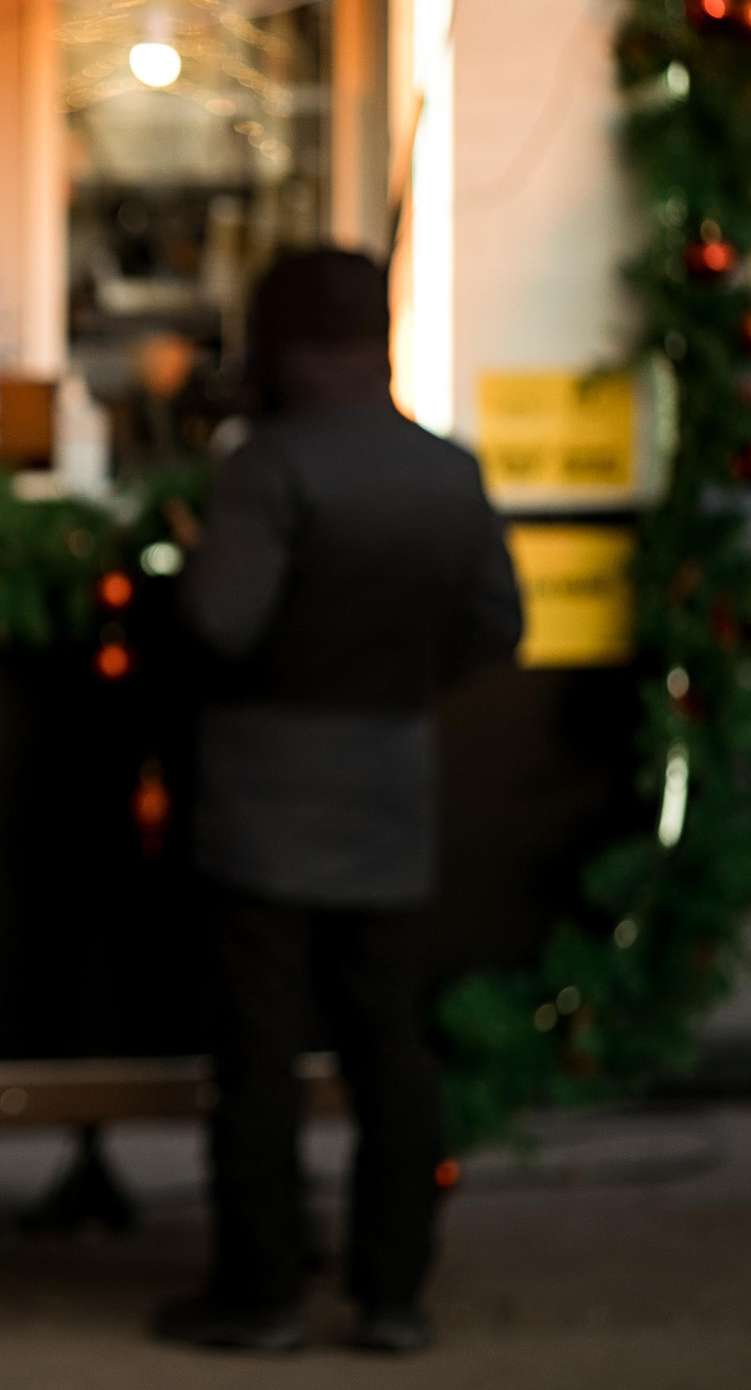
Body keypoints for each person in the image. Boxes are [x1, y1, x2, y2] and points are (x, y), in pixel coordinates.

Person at [154, 248, 523, 1357]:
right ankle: (393, 1293)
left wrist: (185, 565)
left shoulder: (268, 466)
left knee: (261, 1056)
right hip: (389, 792)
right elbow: (495, 631)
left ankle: (260, 1294)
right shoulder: (449, 471)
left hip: (263, 796)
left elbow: (218, 626)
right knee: (388, 1053)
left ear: (279, 340)